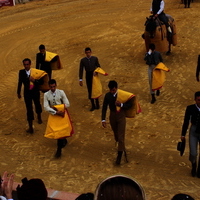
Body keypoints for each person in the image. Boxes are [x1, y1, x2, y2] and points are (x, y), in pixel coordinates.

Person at [101, 80, 140, 165]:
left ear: (116, 88)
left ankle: (119, 156)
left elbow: (130, 103)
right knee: (116, 135)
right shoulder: (108, 96)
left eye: (113, 90)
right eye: (111, 90)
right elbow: (104, 107)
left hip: (121, 116)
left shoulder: (122, 95)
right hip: (112, 116)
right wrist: (103, 119)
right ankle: (121, 147)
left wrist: (121, 105)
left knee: (121, 136)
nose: (112, 92)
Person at [44, 79, 73, 158]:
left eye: (54, 87)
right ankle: (63, 141)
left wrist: (58, 108)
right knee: (57, 132)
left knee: (60, 132)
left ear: (56, 85)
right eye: (51, 87)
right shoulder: (46, 94)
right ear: (49, 87)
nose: (53, 88)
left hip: (62, 114)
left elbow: (67, 104)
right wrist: (56, 112)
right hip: (54, 115)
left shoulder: (61, 92)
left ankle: (59, 150)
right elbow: (46, 107)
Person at [17, 58, 43, 134]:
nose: (26, 66)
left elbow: (41, 82)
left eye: (27, 64)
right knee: (29, 108)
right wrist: (18, 92)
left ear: (30, 64)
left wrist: (34, 80)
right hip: (27, 93)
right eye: (25, 64)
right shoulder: (21, 72)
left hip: (35, 91)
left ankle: (39, 117)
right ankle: (31, 126)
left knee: (37, 104)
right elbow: (20, 82)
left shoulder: (35, 72)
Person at [181, 91, 200, 177]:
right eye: (199, 100)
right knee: (193, 152)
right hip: (194, 131)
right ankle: (194, 165)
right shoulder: (190, 108)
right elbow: (186, 122)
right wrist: (183, 134)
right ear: (195, 100)